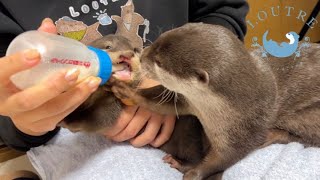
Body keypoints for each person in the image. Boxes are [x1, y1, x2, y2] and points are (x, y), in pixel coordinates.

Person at [0, 0, 248, 154]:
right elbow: (9, 107)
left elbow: (222, 12)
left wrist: (171, 81)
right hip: (62, 147)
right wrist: (24, 123)